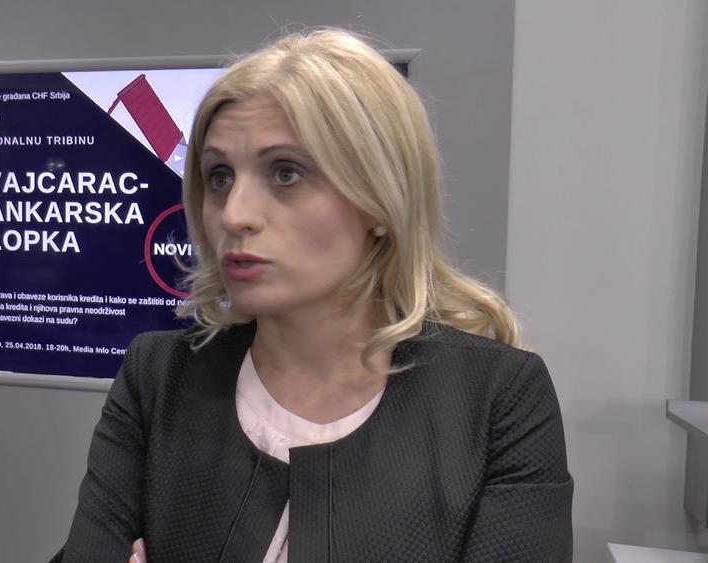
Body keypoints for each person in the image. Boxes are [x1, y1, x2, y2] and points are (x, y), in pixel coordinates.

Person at [52, 28, 573, 562]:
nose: (234, 215)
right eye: (220, 177)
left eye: (286, 173)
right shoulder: (159, 378)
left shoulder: (497, 400)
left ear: (379, 198)